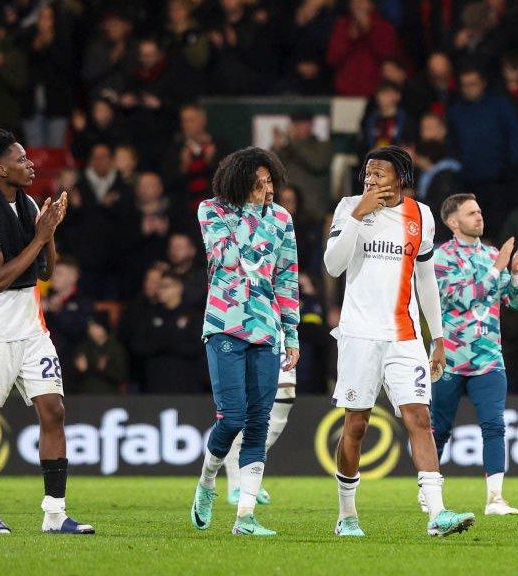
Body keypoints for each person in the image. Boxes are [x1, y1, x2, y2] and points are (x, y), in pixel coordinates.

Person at [324, 145, 474, 537]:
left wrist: (437, 337)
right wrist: (358, 216)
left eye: (379, 174)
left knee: (419, 419)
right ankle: (347, 514)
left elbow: (425, 279)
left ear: (400, 178)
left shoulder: (421, 215)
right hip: (359, 334)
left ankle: (437, 513)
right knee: (356, 425)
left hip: (404, 337)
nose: (370, 180)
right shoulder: (348, 208)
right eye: (367, 174)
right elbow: (333, 265)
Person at [0, 129, 91, 534]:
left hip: (32, 330)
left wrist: (50, 235)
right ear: (1, 168)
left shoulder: (30, 202)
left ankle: (55, 514)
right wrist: (40, 236)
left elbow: (46, 272)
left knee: (53, 411)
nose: (30, 163)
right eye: (20, 159)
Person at [189, 147, 299, 537]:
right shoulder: (211, 211)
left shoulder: (282, 219)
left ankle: (245, 517)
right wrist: (252, 213)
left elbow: (285, 278)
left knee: (258, 422)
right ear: (240, 181)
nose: (267, 188)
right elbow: (230, 257)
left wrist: (292, 333)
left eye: (270, 181)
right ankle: (206, 483)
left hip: (267, 329)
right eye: (259, 181)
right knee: (232, 416)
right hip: (224, 323)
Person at [431, 193, 518, 515]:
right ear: (453, 222)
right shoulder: (440, 258)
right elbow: (457, 298)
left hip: (488, 357)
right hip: (450, 360)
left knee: (494, 426)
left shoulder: (491, 254)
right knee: (439, 428)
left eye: (480, 211)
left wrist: (514, 273)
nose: (479, 217)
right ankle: (429, 489)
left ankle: (495, 499)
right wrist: (496, 269)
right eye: (471, 213)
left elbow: (514, 302)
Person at [223, 336, 297, 506]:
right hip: (249, 326)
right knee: (245, 407)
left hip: (279, 326)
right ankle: (236, 484)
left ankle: (248, 475)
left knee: (286, 395)